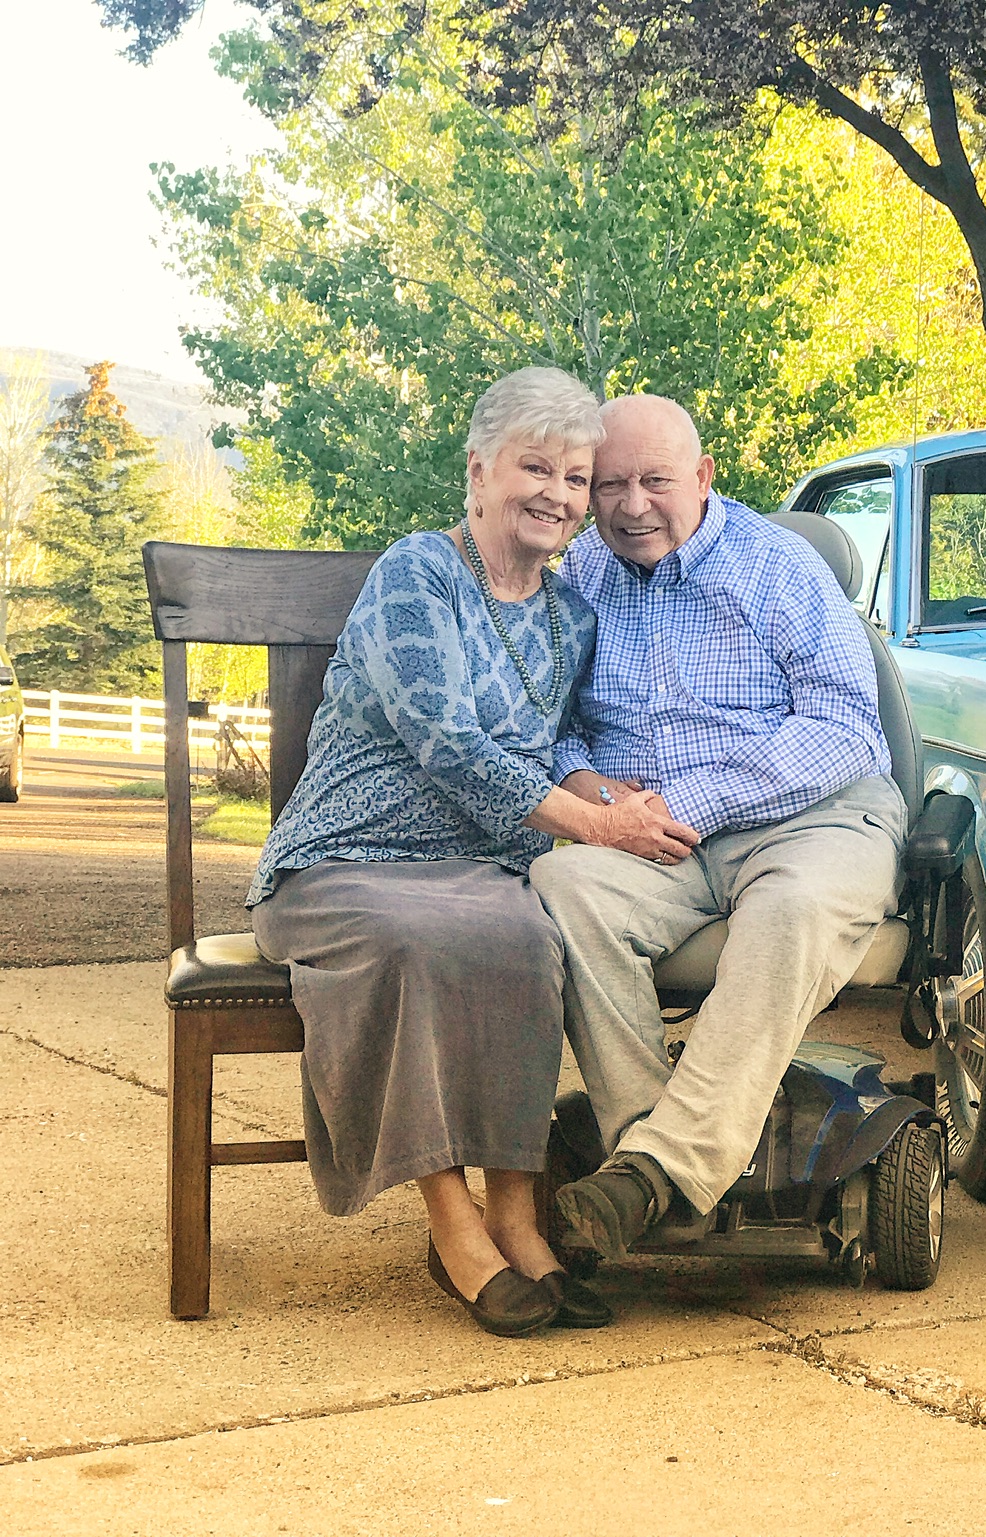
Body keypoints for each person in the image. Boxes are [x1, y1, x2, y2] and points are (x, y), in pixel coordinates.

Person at [249, 367, 696, 1337]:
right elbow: (446, 740)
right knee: (416, 942)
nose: (558, 496)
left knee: (529, 940)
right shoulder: (419, 572)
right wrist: (596, 827)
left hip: (484, 867)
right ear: (480, 470)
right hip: (346, 860)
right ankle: (454, 1228)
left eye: (574, 479)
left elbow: (560, 749)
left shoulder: (572, 618)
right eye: (537, 468)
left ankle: (516, 1217)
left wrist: (620, 801)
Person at [529, 393, 905, 1260]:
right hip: (647, 836)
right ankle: (650, 1167)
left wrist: (690, 802)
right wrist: (592, 794)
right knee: (559, 884)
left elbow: (845, 727)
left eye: (655, 481)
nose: (631, 506)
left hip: (811, 817)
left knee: (789, 908)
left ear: (702, 476)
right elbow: (551, 725)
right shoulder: (578, 579)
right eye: (609, 485)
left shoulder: (779, 566)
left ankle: (654, 1173)